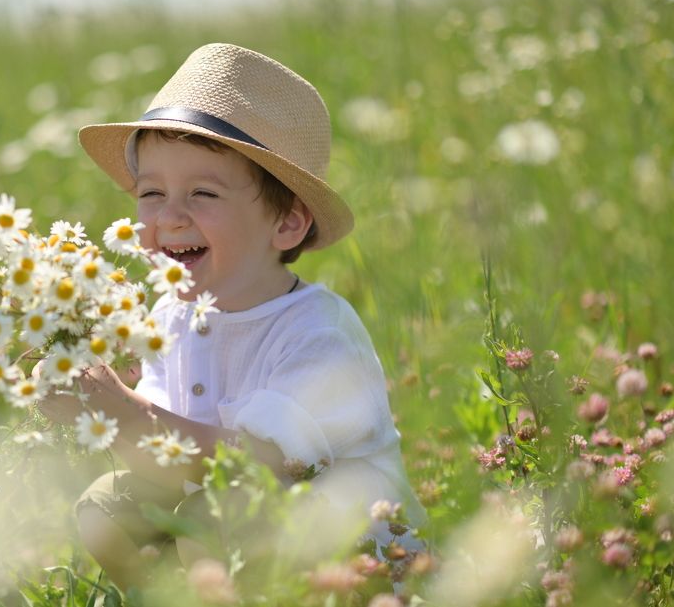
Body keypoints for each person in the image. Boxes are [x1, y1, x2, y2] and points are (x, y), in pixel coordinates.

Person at [38, 43, 423, 590]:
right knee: (106, 507)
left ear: (288, 224)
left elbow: (256, 466)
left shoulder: (317, 334)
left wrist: (123, 410)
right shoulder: (169, 316)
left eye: (202, 193)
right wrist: (87, 398)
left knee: (212, 522)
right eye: (151, 192)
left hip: (354, 563)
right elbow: (163, 456)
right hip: (229, 533)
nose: (170, 217)